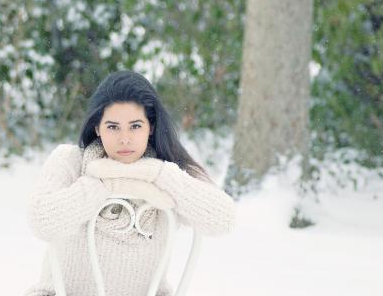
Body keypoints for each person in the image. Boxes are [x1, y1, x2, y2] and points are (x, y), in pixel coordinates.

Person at [24, 70, 236, 296]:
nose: (124, 138)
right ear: (97, 127)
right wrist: (105, 183)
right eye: (113, 127)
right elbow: (41, 221)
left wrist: (156, 173)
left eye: (135, 126)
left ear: (151, 127)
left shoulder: (168, 170)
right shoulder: (71, 161)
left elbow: (223, 219)